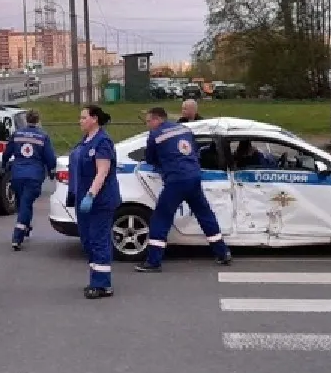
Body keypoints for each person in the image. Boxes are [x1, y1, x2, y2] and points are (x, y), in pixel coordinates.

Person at [136, 106, 232, 273]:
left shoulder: (155, 135)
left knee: (161, 218)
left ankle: (153, 261)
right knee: (205, 214)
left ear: (158, 119)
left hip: (175, 180)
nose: (148, 124)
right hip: (194, 177)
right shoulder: (184, 128)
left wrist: (162, 165)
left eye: (149, 121)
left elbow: (150, 158)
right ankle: (222, 252)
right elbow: (194, 151)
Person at [66, 105, 121, 299]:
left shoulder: (102, 141)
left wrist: (90, 195)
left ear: (94, 119)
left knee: (99, 240)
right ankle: (96, 276)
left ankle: (102, 284)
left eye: (83, 117)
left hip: (100, 200)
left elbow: (102, 171)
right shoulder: (85, 141)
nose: (80, 121)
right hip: (83, 197)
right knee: (87, 239)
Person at [1, 109, 57, 250]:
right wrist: (51, 171)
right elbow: (50, 157)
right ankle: (17, 236)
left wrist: (3, 166)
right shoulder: (43, 136)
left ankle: (25, 226)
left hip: (17, 174)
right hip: (34, 175)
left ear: (26, 119)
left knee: (23, 202)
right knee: (26, 203)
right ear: (38, 120)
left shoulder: (17, 134)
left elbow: (7, 152)